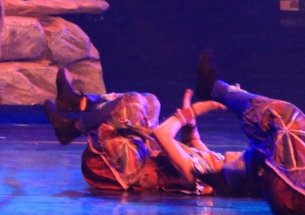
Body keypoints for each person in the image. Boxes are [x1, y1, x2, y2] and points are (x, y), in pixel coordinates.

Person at [45, 75, 245, 196]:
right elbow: (193, 141)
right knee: (151, 101)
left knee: (132, 103)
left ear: (236, 176)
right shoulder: (216, 162)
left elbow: (162, 135)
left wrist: (193, 111)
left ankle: (73, 126)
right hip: (144, 152)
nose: (245, 154)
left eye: (246, 162)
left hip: (129, 170)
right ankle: (80, 104)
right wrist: (190, 124)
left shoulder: (202, 178)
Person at [198, 51, 305, 214]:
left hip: (292, 192)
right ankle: (223, 91)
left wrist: (187, 118)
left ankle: (217, 89)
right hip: (291, 192)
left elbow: (165, 136)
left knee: (284, 117)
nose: (230, 155)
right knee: (279, 128)